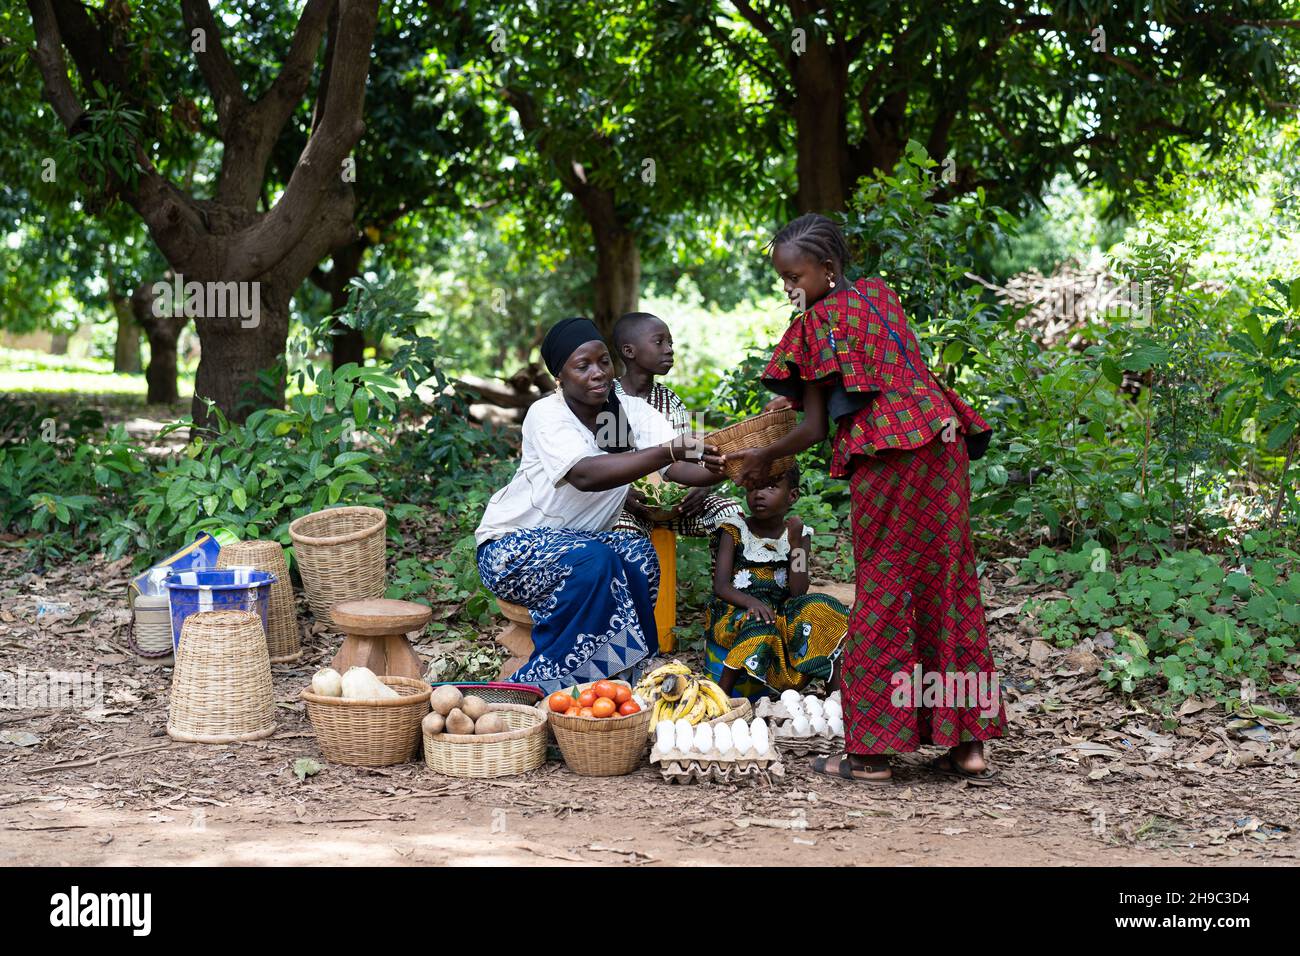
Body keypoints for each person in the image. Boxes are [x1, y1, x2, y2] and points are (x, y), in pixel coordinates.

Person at [711, 213, 1004, 785]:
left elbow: (818, 428)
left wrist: (756, 459)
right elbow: (872, 381)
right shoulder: (877, 297)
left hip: (890, 457)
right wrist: (791, 407)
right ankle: (968, 744)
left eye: (794, 277)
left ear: (827, 268)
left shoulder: (816, 322)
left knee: (886, 588)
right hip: (941, 443)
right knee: (949, 585)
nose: (789, 290)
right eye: (782, 281)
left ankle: (870, 753)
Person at [475, 317, 724, 693]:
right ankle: (543, 683)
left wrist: (727, 467)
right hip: (510, 549)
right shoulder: (548, 414)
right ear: (560, 376)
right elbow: (586, 474)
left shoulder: (625, 412)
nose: (597, 373)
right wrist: (669, 450)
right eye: (583, 366)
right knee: (594, 558)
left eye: (603, 362)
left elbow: (679, 465)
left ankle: (634, 671)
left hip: (578, 548)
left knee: (637, 552)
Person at [704, 462, 848, 697]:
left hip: (780, 609)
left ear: (792, 495)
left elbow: (799, 590)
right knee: (760, 622)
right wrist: (752, 603)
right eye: (753, 487)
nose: (759, 494)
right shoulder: (734, 529)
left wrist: (796, 547)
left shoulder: (799, 535)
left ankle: (835, 695)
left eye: (770, 487)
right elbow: (720, 586)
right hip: (736, 608)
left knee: (823, 609)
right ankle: (723, 694)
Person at [610, 311, 744, 537]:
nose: (669, 349)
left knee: (730, 514)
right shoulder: (609, 399)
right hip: (626, 506)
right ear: (629, 351)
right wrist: (621, 495)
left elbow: (688, 456)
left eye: (670, 343)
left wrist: (702, 486)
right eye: (659, 342)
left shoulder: (670, 401)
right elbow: (600, 463)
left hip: (675, 506)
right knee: (622, 530)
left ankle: (728, 574)